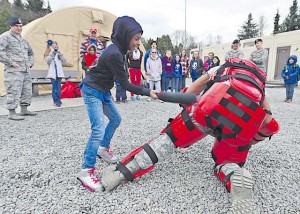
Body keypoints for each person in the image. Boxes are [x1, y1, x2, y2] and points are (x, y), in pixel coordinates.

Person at [101, 58, 280, 213]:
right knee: (227, 161)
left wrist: (185, 107)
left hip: (209, 110)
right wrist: (248, 140)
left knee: (169, 140)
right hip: (240, 123)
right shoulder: (259, 85)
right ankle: (234, 176)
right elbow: (268, 121)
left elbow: (191, 91)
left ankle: (121, 173)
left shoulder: (220, 69)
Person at [76, 16, 158, 192]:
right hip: (92, 91)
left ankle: (103, 148)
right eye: (136, 39)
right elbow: (126, 84)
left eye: (139, 39)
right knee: (97, 128)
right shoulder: (114, 53)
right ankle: (86, 170)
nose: (138, 43)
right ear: (124, 35)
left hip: (103, 90)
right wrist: (148, 92)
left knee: (115, 119)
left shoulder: (119, 51)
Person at [0, 16, 37, 120]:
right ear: (11, 26)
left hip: (25, 70)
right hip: (13, 71)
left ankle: (24, 109)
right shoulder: (5, 37)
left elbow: (30, 53)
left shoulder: (23, 40)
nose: (19, 28)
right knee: (13, 90)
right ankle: (12, 113)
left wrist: (30, 62)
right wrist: (10, 62)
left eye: (20, 26)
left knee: (27, 90)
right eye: (16, 26)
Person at [44, 40, 67, 107]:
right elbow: (48, 61)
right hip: (53, 74)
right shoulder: (48, 54)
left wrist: (61, 55)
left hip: (59, 73)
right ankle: (55, 100)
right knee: (55, 88)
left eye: (56, 46)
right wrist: (52, 53)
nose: (55, 47)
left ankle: (59, 99)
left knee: (59, 88)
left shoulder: (58, 53)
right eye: (53, 46)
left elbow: (64, 61)